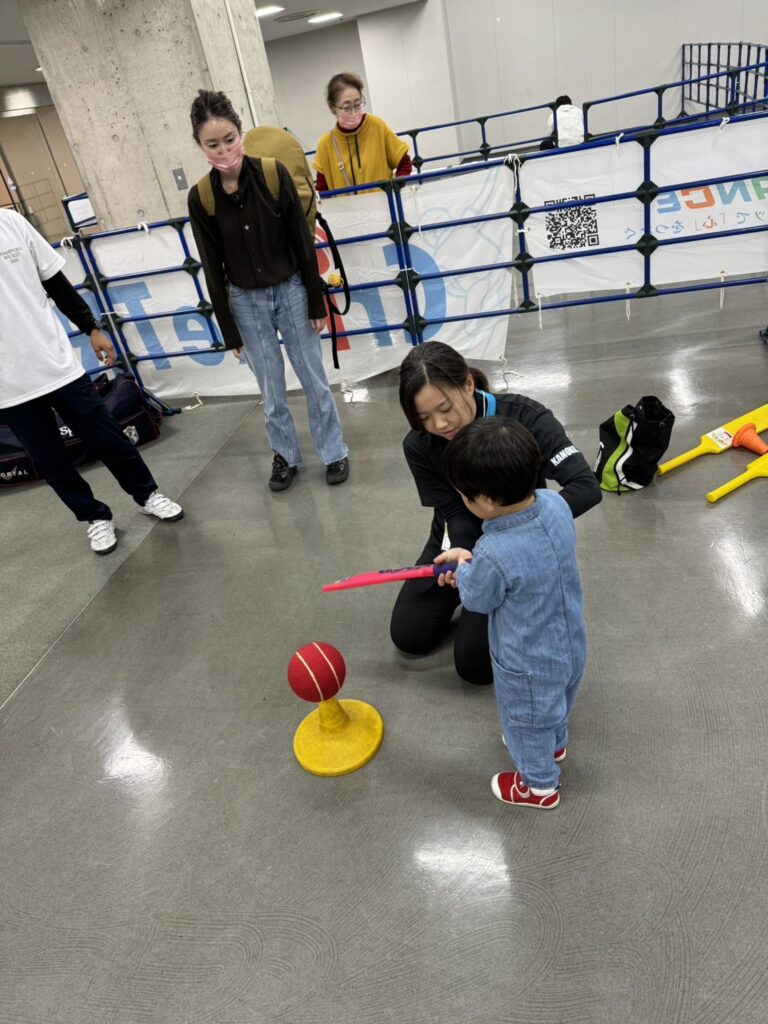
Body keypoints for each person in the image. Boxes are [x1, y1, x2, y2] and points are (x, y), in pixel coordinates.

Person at [391, 340, 600, 685]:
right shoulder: (418, 444)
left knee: (473, 666)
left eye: (445, 408)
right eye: (424, 417)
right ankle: (472, 586)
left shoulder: (525, 417)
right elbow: (454, 508)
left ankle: (492, 594)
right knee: (409, 637)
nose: (440, 425)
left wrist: (528, 529)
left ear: (469, 384)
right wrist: (462, 558)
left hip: (518, 544)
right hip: (457, 538)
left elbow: (586, 487)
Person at [187, 89, 349, 492]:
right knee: (271, 390)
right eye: (212, 144)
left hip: (292, 290)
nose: (224, 150)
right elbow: (212, 265)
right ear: (200, 146)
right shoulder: (201, 197)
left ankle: (334, 451)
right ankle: (285, 457)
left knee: (313, 378)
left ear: (240, 133)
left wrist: (315, 300)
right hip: (245, 301)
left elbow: (301, 240)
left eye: (229, 140)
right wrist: (230, 330)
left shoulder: (274, 174)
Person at [0, 208, 183, 556]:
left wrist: (92, 328)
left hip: (56, 366)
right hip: (9, 387)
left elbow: (55, 282)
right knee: (51, 463)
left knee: (108, 437)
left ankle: (146, 495)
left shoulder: (12, 224)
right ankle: (94, 517)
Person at [434, 417, 586, 809]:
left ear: (485, 500)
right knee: (557, 700)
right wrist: (471, 562)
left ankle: (538, 787)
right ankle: (555, 746)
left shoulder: (493, 552)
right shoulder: (554, 504)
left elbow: (478, 600)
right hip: (569, 642)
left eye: (465, 497)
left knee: (524, 721)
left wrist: (463, 569)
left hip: (527, 661)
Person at [313, 72, 412, 192]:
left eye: (357, 104)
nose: (354, 112)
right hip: (347, 209)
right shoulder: (326, 144)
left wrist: (395, 187)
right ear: (332, 108)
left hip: (383, 207)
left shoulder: (377, 126)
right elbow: (322, 189)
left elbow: (405, 163)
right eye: (347, 107)